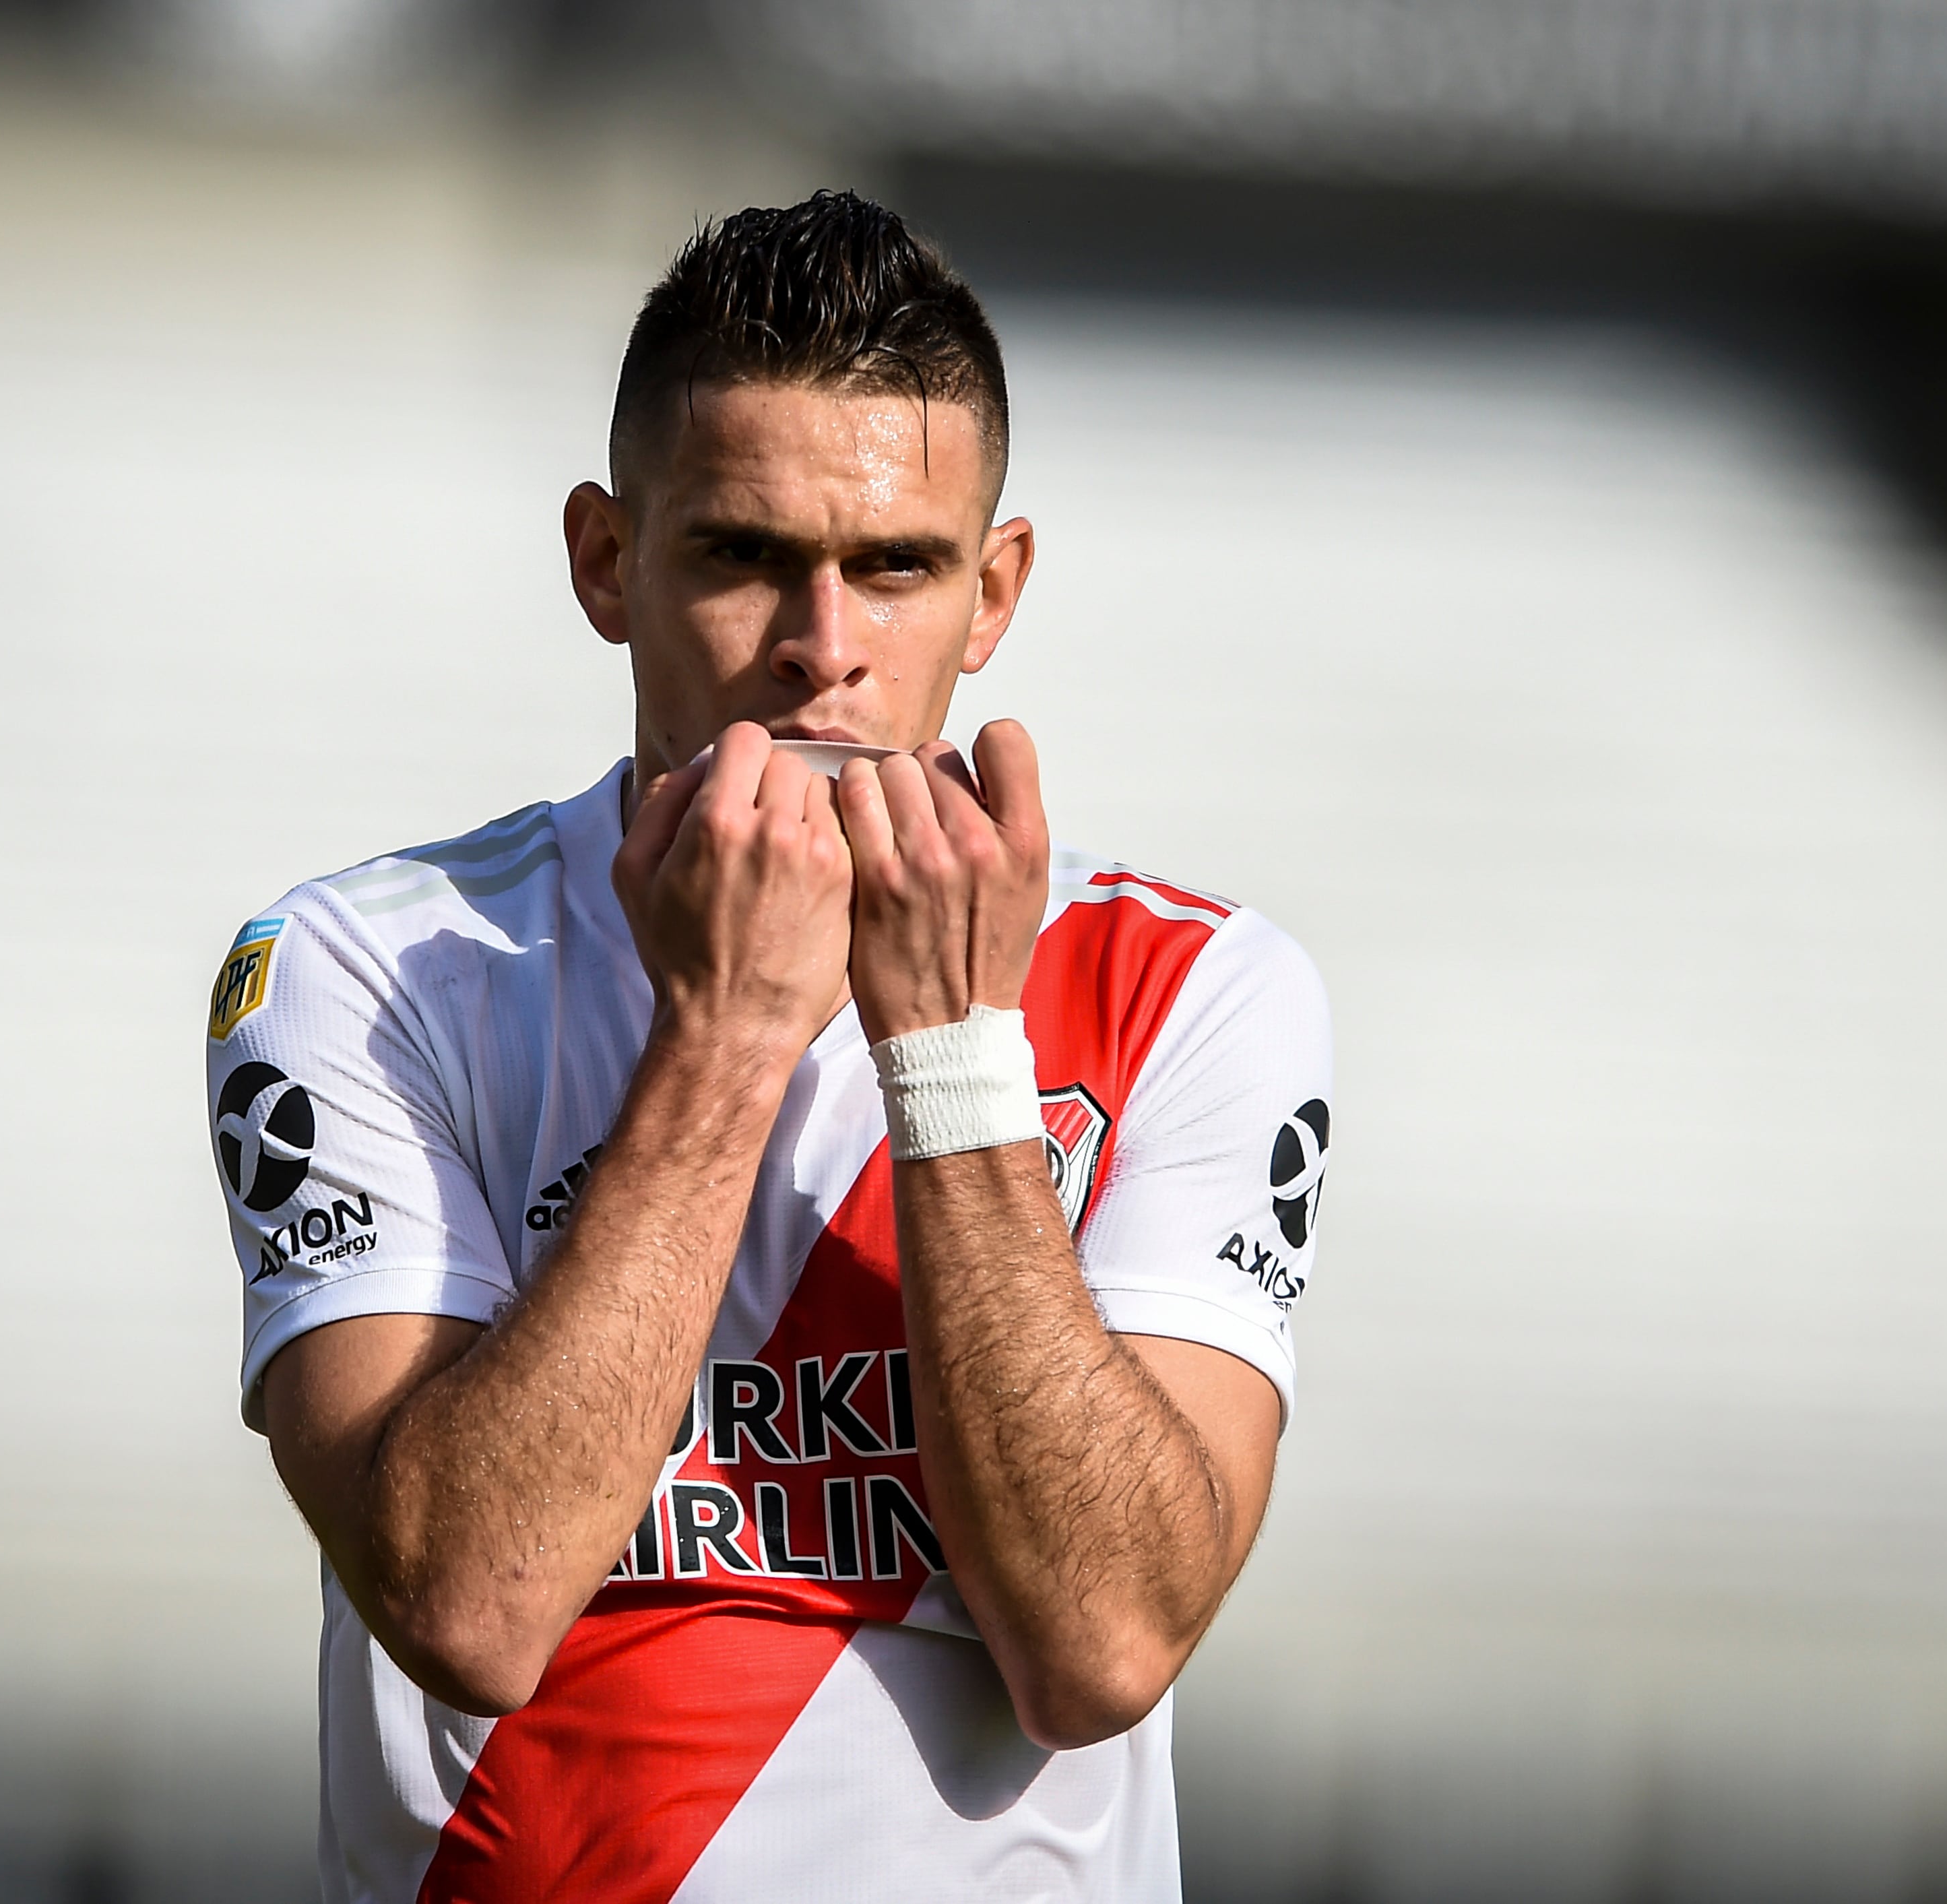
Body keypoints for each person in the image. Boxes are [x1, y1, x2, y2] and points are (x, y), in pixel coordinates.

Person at [204, 189, 1332, 1903]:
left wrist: (952, 1048)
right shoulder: (364, 972)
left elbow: (1101, 1643)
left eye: (895, 565)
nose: (825, 646)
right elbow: (470, 1602)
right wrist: (726, 1043)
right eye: (741, 555)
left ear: (996, 588)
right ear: (606, 561)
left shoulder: (1195, 993)